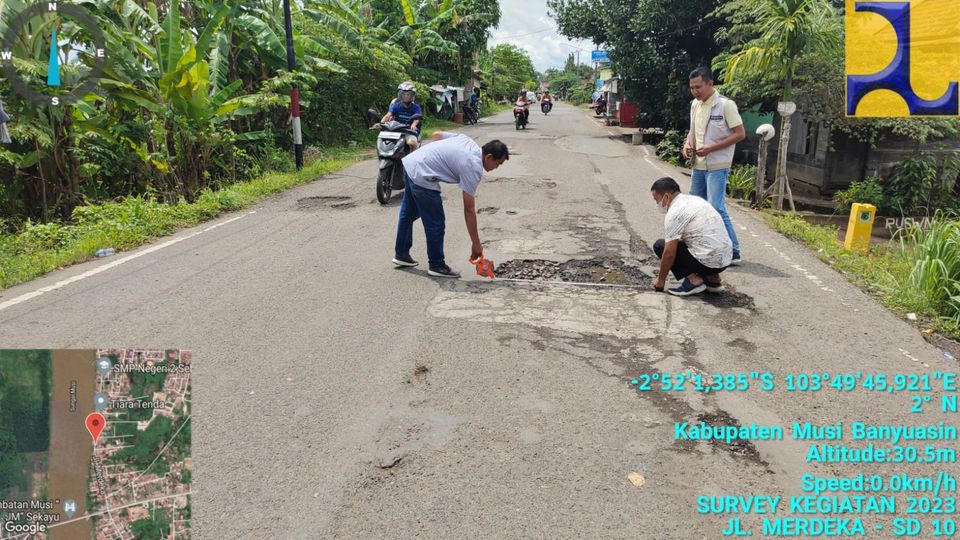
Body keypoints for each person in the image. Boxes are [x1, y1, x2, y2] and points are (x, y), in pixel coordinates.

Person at [392, 131, 510, 277]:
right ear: (489, 157)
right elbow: (469, 209)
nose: (496, 168)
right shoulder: (473, 167)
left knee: (408, 213)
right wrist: (476, 243)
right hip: (423, 175)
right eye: (498, 164)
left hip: (412, 162)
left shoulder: (467, 141)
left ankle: (401, 254)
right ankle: (436, 265)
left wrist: (434, 157)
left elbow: (437, 135)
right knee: (436, 222)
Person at [682, 66, 746, 265]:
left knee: (716, 207)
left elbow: (740, 134)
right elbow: (693, 131)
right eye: (692, 88)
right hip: (698, 165)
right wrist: (687, 145)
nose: (695, 91)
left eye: (698, 87)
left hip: (718, 164)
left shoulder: (725, 105)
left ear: (710, 84)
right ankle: (701, 246)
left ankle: (734, 251)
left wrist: (712, 148)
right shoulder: (695, 105)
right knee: (696, 207)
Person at [649, 177, 732, 297]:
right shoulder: (696, 200)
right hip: (725, 260)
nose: (657, 204)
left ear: (666, 197)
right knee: (692, 241)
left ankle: (694, 281)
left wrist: (660, 280)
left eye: (656, 200)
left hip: (707, 263)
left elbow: (669, 254)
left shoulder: (675, 212)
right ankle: (712, 279)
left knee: (660, 246)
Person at [381, 81, 423, 151]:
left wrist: (414, 124)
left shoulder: (416, 107)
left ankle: (413, 159)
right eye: (403, 94)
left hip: (409, 130)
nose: (406, 96)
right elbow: (388, 115)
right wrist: (381, 123)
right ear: (400, 95)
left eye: (409, 94)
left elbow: (417, 117)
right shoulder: (396, 105)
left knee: (412, 143)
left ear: (412, 95)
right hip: (396, 130)